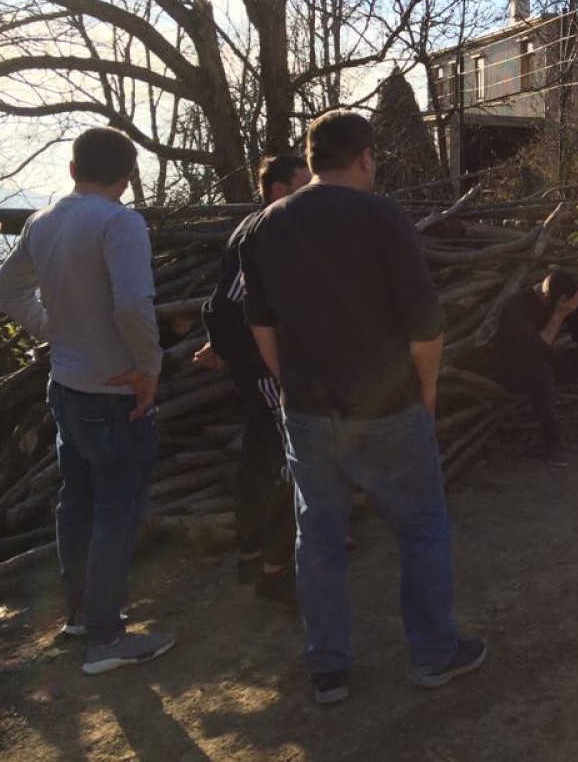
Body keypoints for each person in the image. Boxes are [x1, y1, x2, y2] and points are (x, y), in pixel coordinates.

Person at [239, 110, 484, 705]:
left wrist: (293, 384)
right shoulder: (382, 217)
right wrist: (427, 389)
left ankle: (328, 669)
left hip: (307, 412)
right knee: (422, 529)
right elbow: (426, 324)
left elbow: (261, 327)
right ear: (365, 157)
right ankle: (433, 654)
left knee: (317, 538)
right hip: (387, 410)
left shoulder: (265, 226)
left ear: (311, 157)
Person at [0, 127, 175, 674]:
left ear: (73, 169)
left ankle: (79, 613)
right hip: (114, 390)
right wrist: (149, 368)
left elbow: (7, 287)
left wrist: (51, 329)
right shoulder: (120, 223)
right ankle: (105, 638)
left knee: (76, 502)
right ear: (127, 176)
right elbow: (132, 306)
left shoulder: (43, 221)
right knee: (118, 510)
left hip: (67, 388)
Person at [194, 154, 310, 604]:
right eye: (305, 185)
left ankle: (251, 554)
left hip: (260, 365)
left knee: (259, 455)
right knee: (288, 458)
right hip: (266, 370)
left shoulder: (263, 227)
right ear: (280, 190)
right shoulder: (266, 231)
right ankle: (276, 571)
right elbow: (227, 303)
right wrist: (239, 353)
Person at [468, 270, 578, 467]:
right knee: (540, 373)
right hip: (511, 370)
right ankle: (552, 444)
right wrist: (559, 314)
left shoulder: (563, 300)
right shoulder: (517, 306)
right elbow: (535, 351)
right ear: (548, 298)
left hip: (544, 361)